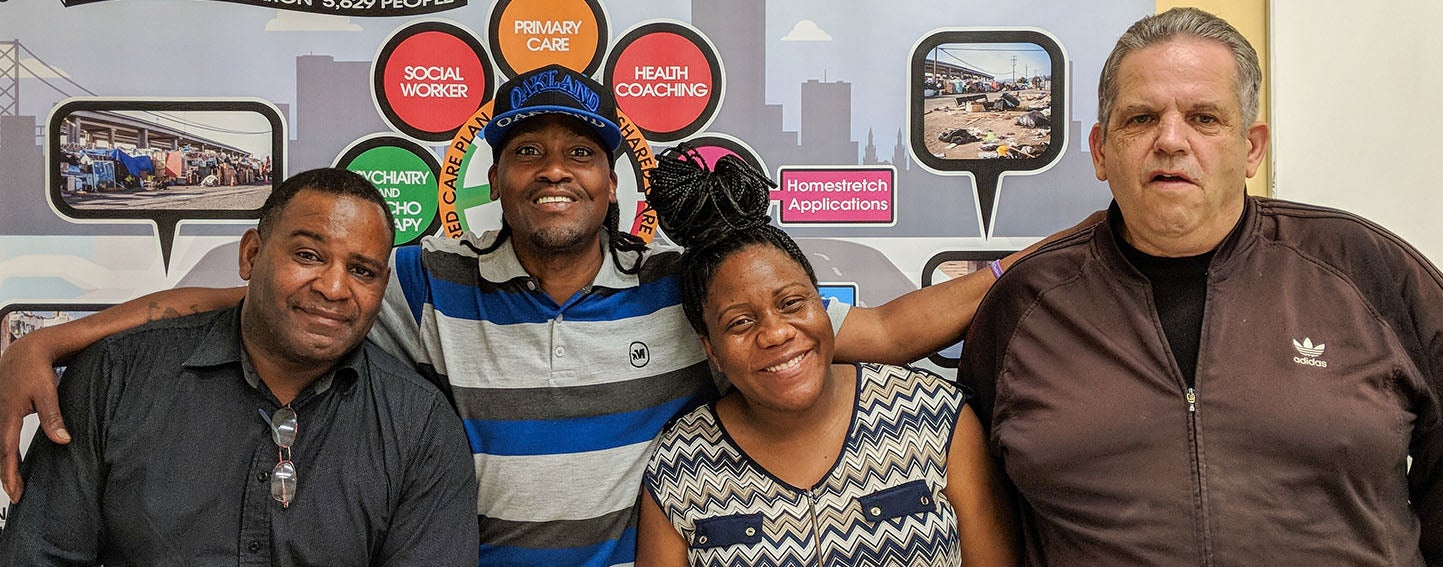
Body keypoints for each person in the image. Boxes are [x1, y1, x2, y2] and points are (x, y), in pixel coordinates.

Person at [0, 65, 1059, 567]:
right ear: (496, 177)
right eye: (530, 152)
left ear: (612, 178)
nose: (555, 170)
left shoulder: (689, 285)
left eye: (579, 153)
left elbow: (892, 326)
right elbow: (260, 304)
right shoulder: (418, 282)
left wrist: (1079, 251)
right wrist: (56, 337)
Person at [957, 7, 1442, 565]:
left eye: (1204, 118)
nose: (1170, 140)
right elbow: (988, 510)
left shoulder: (1364, 270)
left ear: (1252, 148)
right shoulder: (1025, 306)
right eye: (1140, 119)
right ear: (1099, 149)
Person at [0, 168, 478, 565]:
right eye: (308, 256)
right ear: (251, 254)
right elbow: (41, 554)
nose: (334, 288)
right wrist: (43, 343)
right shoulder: (117, 377)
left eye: (361, 270)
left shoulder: (419, 426)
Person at [636, 147, 1017, 566]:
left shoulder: (932, 414)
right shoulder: (680, 462)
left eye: (792, 303)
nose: (776, 333)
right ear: (712, 349)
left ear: (824, 308)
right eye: (740, 322)